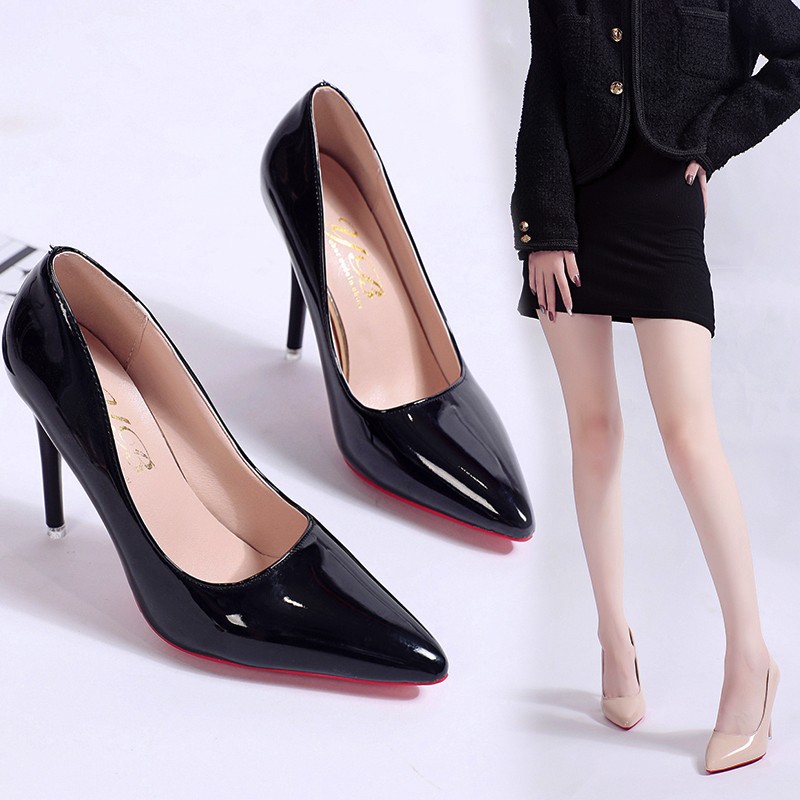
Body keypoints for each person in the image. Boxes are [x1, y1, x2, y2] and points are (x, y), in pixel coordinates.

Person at [511, 0, 800, 773]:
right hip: (571, 214)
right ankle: (613, 638)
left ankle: (751, 658)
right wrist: (543, 225)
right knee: (593, 431)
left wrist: (718, 137)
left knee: (687, 434)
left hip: (666, 208)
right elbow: (546, 83)